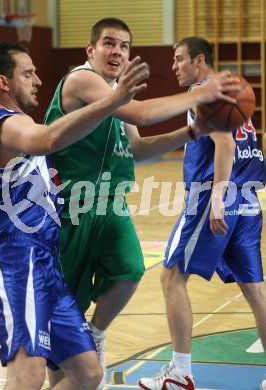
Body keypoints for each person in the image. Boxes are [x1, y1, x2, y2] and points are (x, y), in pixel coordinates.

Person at [43, 18, 241, 389]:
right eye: (109, 43)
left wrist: (193, 131)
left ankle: (96, 335)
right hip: (69, 211)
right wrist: (201, 93)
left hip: (109, 208)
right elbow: (140, 114)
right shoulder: (81, 79)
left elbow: (138, 149)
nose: (117, 51)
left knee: (131, 269)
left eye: (124, 46)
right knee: (63, 334)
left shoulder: (118, 93)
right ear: (91, 50)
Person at [0, 40, 151, 390]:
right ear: (4, 82)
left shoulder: (15, 128)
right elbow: (50, 139)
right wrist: (114, 99)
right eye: (28, 73)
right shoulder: (6, 124)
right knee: (28, 373)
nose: (37, 81)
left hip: (45, 263)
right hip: (17, 259)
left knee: (87, 373)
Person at [138, 37, 266, 390]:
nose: (174, 66)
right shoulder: (233, 91)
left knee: (170, 277)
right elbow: (247, 144)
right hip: (250, 200)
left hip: (213, 198)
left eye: (179, 59)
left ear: (199, 61)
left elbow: (224, 144)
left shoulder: (202, 92)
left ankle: (180, 372)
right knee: (256, 292)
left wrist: (217, 197)